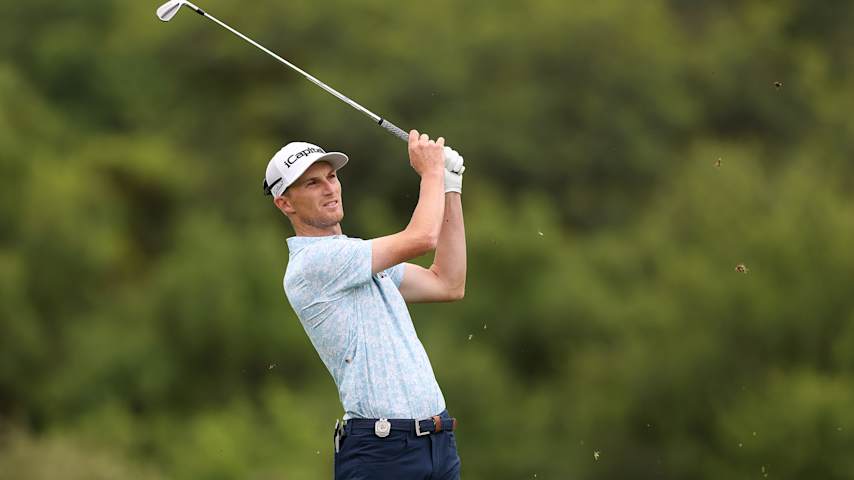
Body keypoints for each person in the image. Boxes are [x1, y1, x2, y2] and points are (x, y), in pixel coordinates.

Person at [263, 130, 467, 480]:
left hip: (437, 442)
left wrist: (450, 186)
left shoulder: (360, 256)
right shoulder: (313, 264)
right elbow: (421, 239)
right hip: (382, 452)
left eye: (331, 177)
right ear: (285, 203)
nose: (329, 188)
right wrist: (431, 173)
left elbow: (447, 282)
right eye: (312, 183)